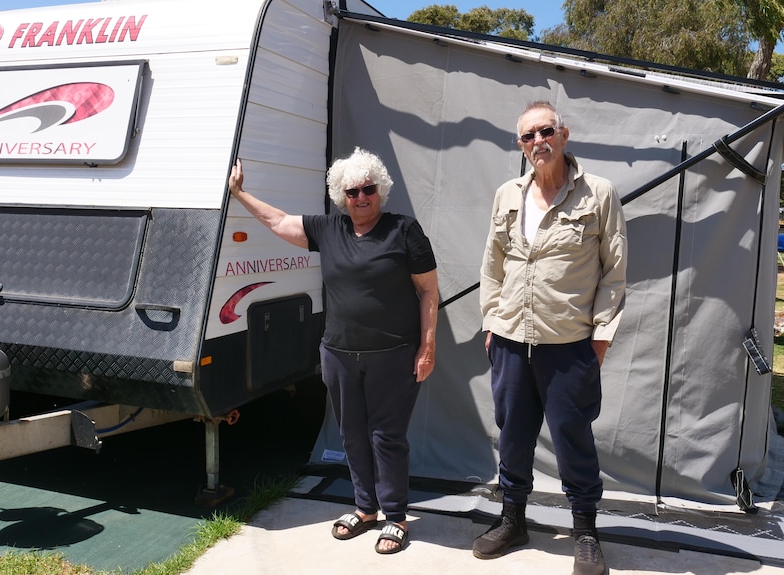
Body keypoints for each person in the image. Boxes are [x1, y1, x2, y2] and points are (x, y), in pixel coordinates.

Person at [228, 148, 438, 555]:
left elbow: (428, 290)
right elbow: (278, 220)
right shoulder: (329, 229)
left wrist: (427, 347)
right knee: (352, 435)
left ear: (380, 189)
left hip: (393, 354)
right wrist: (239, 193)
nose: (361, 197)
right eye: (353, 191)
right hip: (339, 353)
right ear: (342, 197)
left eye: (368, 189)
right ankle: (365, 509)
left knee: (386, 437)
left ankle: (395, 516)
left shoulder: (404, 230)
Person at [475, 101, 627, 575]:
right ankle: (512, 519)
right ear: (520, 146)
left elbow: (614, 274)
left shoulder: (599, 194)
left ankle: (585, 533)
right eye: (527, 136)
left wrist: (599, 339)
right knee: (513, 435)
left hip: (569, 345)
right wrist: (490, 322)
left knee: (571, 437)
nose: (537, 142)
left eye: (545, 131)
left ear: (563, 134)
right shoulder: (507, 195)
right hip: (510, 340)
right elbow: (493, 264)